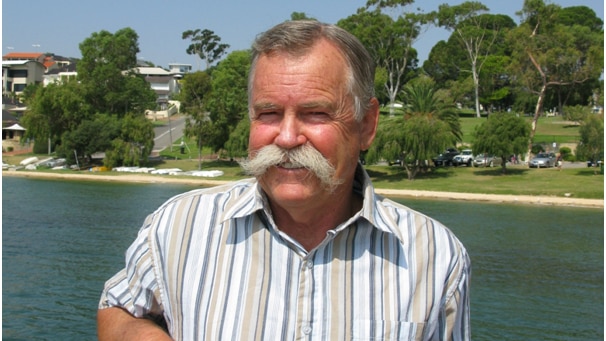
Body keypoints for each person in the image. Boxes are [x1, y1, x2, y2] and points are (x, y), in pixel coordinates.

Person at [97, 20, 471, 340]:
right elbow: (118, 308)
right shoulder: (176, 227)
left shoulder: (435, 257)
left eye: (316, 113)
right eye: (269, 113)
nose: (288, 137)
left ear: (366, 125)